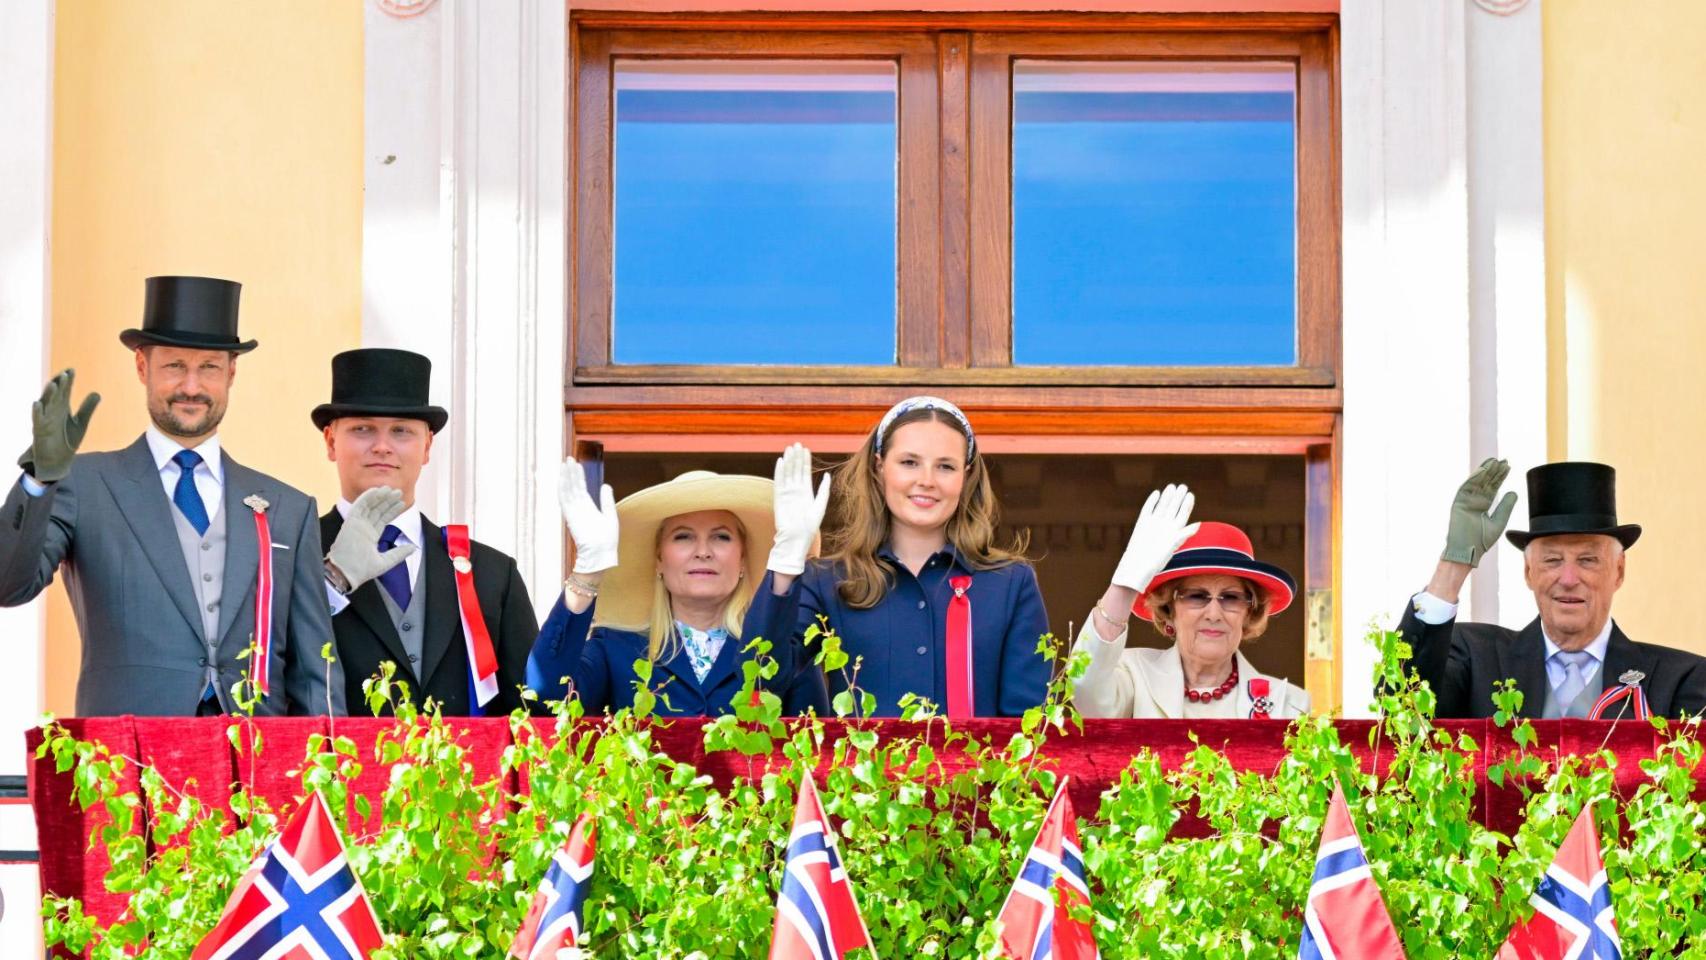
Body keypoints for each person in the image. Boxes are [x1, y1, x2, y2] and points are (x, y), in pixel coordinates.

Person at [0, 276, 340, 716]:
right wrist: (39, 481)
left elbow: (316, 670)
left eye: (209, 368)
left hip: (254, 763)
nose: (192, 387)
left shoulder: (288, 508)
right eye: (175, 366)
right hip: (125, 758)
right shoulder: (83, 484)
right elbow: (9, 585)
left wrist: (329, 773)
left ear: (231, 373)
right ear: (142, 367)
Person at [314, 348, 539, 716]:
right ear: (330, 442)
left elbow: (530, 710)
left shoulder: (492, 573)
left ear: (427, 446)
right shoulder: (292, 553)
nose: (382, 446)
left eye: (401, 431)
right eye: (362, 429)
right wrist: (332, 580)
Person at [527, 444, 830, 716]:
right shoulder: (615, 647)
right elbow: (546, 695)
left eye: (721, 537)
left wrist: (787, 561)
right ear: (659, 559)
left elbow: (814, 758)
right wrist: (587, 573)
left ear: (743, 560)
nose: (703, 552)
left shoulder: (786, 652)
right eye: (683, 537)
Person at [795, 396, 1048, 718]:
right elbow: (764, 683)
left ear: (966, 477)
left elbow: (1028, 722)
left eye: (945, 466)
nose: (926, 480)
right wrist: (785, 565)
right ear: (879, 467)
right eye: (909, 462)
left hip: (982, 770)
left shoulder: (1011, 583)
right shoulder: (824, 581)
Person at [1400, 458, 1706, 719]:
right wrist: (1453, 566)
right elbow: (1403, 709)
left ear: (1619, 571)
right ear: (1528, 572)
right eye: (1552, 560)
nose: (1569, 578)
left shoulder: (1679, 680)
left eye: (1587, 560)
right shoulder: (1475, 659)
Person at [1070, 485, 1308, 719]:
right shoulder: (1134, 676)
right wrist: (1124, 584)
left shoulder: (1289, 705)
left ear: (1248, 612)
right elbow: (1085, 692)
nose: (1213, 614)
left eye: (1231, 598)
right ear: (1169, 609)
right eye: (1196, 596)